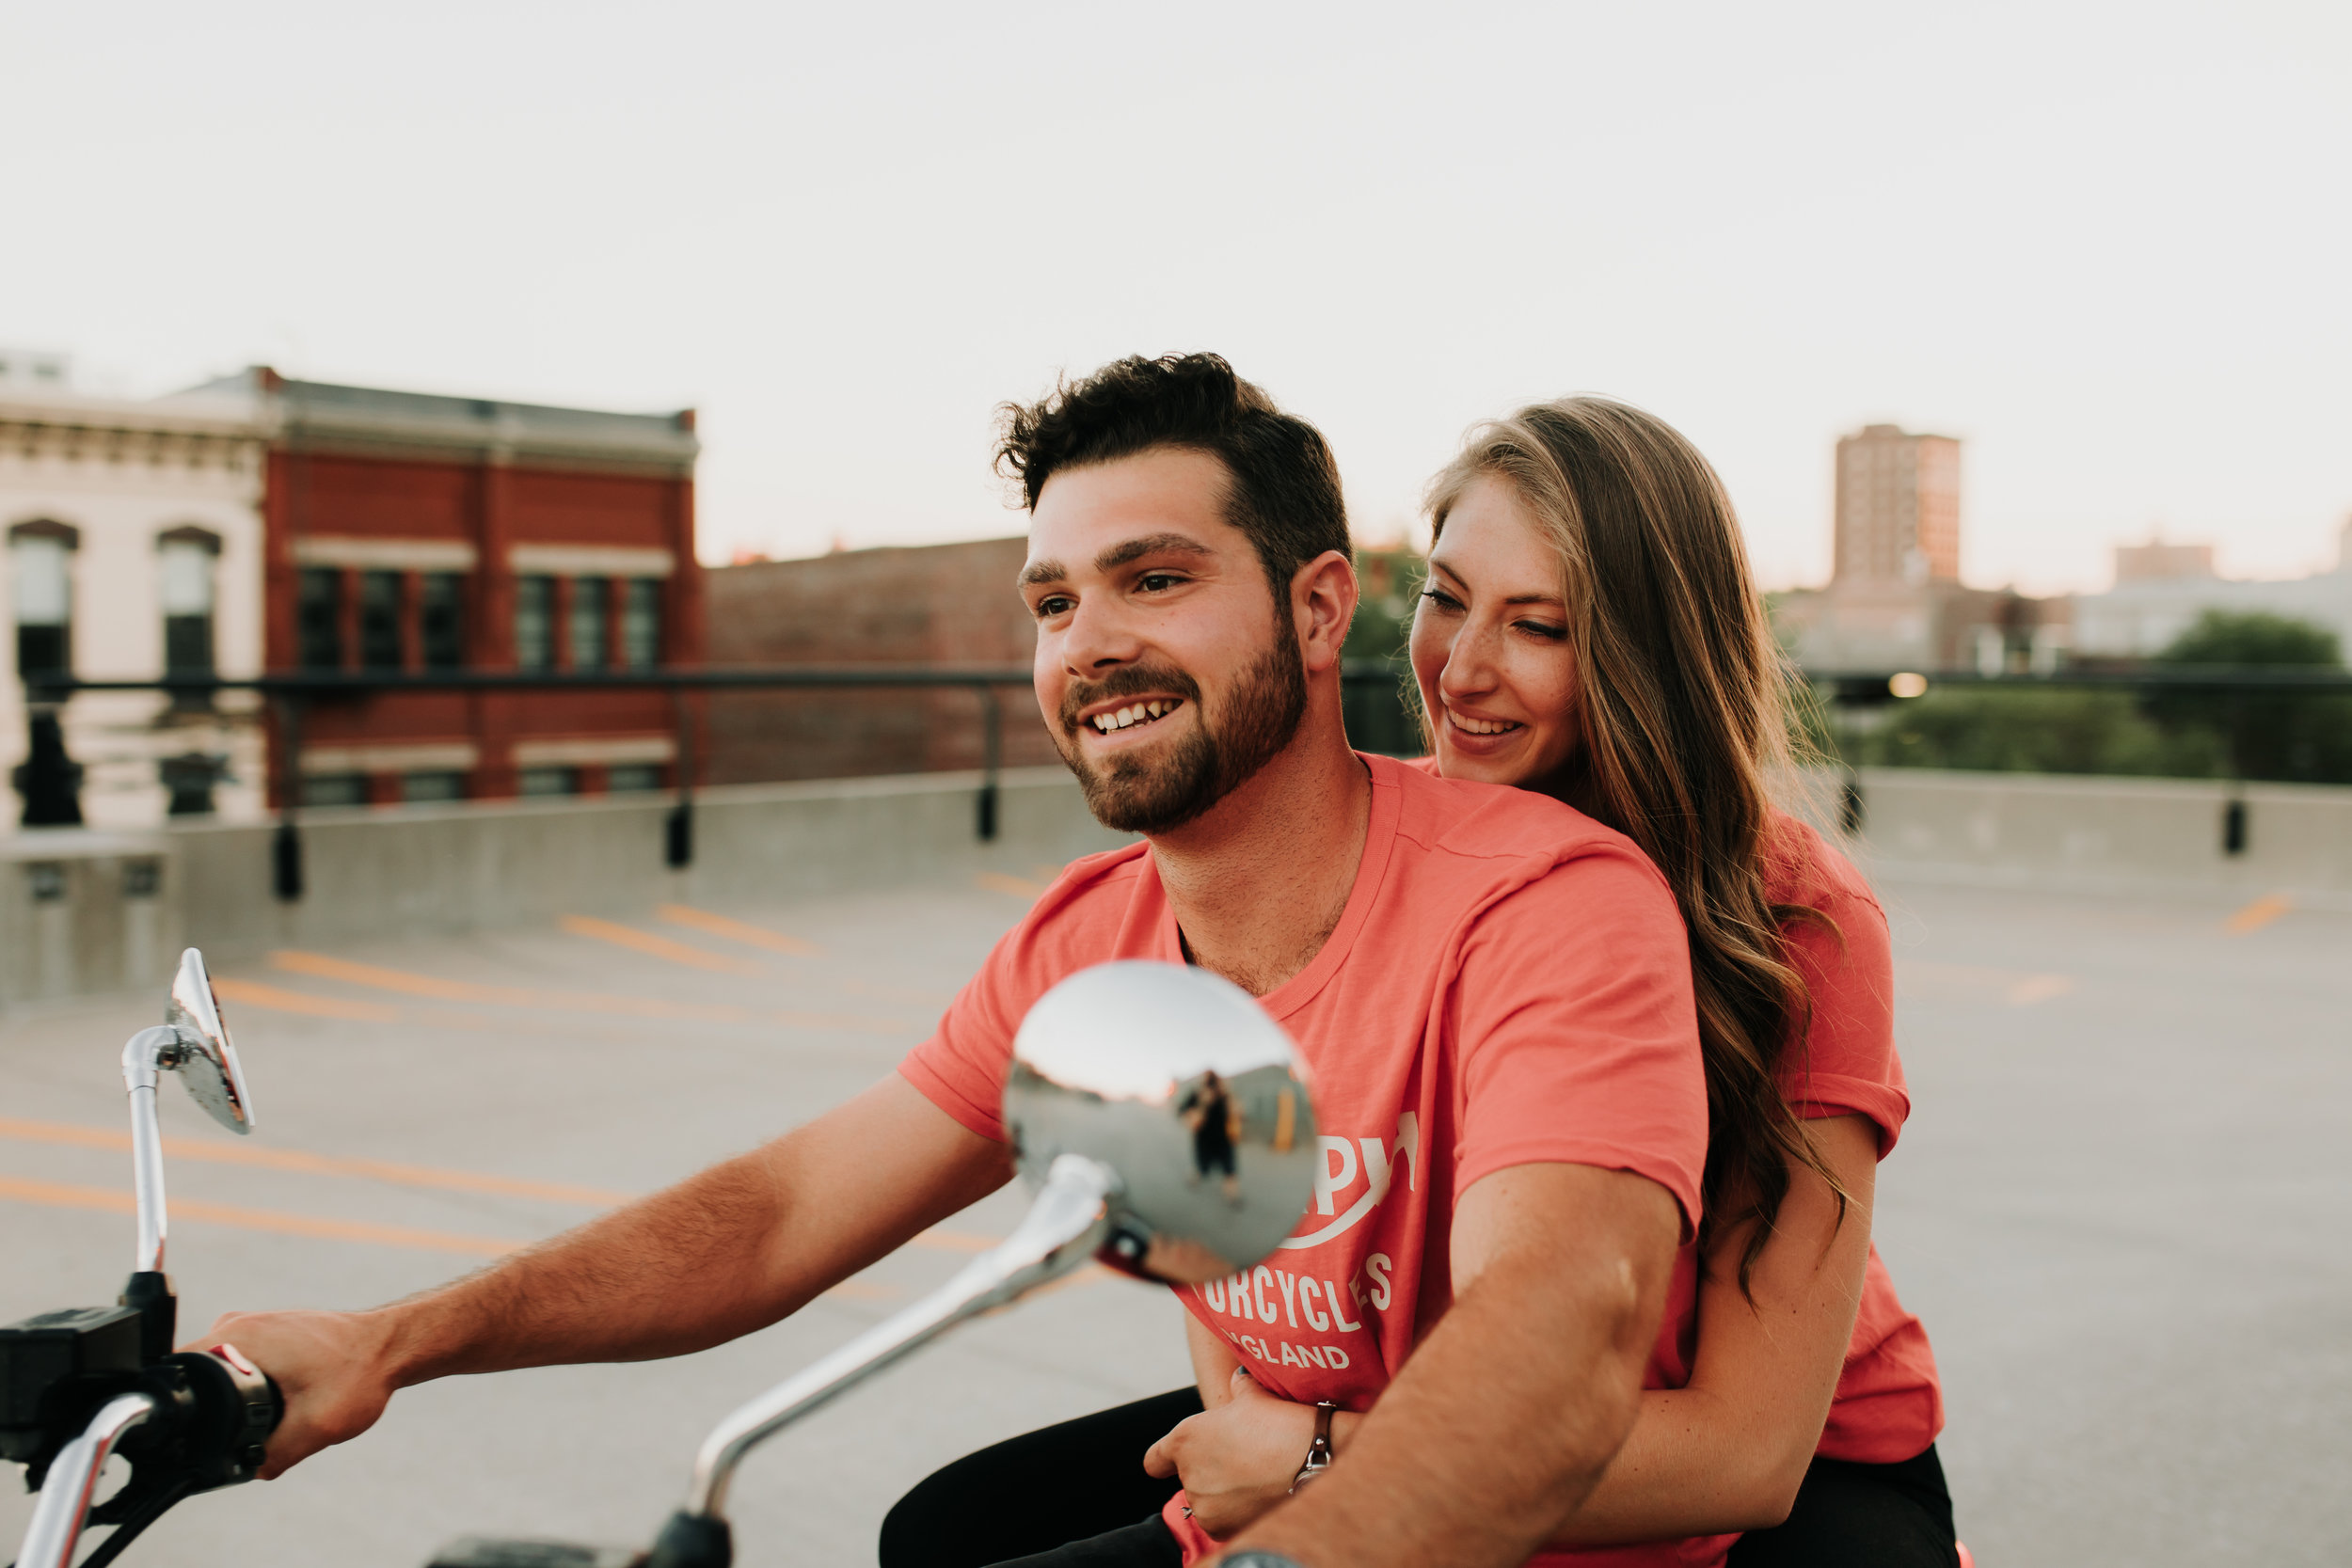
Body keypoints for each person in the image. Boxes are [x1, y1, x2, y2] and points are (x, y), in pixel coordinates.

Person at [196, 356, 1714, 1568]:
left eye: (1155, 579)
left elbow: (1553, 1327)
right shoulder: (1086, 941)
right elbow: (786, 1209)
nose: (1089, 643)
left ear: (1319, 609)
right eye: (1053, 601)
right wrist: (391, 1341)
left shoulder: (1550, 900)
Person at [881, 398, 1956, 1568]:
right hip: (1436, 1395)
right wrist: (1273, 1421)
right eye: (1445, 600)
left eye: (1536, 625)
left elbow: (1743, 1454)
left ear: (1646, 653)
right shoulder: (1368, 853)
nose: (1460, 670)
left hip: (1778, 1456)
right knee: (943, 1529)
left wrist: (1317, 1455)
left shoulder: (1789, 910)